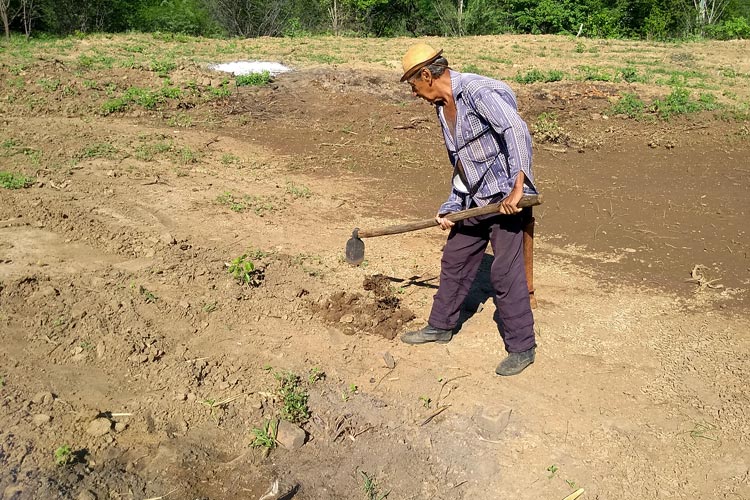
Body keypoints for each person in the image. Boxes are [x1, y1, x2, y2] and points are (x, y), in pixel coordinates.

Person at [399, 43, 537, 376]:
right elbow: (462, 161)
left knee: (504, 273)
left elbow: (515, 129)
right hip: (476, 199)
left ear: (427, 76)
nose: (414, 94)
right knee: (456, 257)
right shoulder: (442, 106)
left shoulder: (476, 91)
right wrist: (452, 203)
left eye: (413, 86)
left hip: (506, 201)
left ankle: (522, 346)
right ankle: (440, 326)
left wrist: (518, 188)